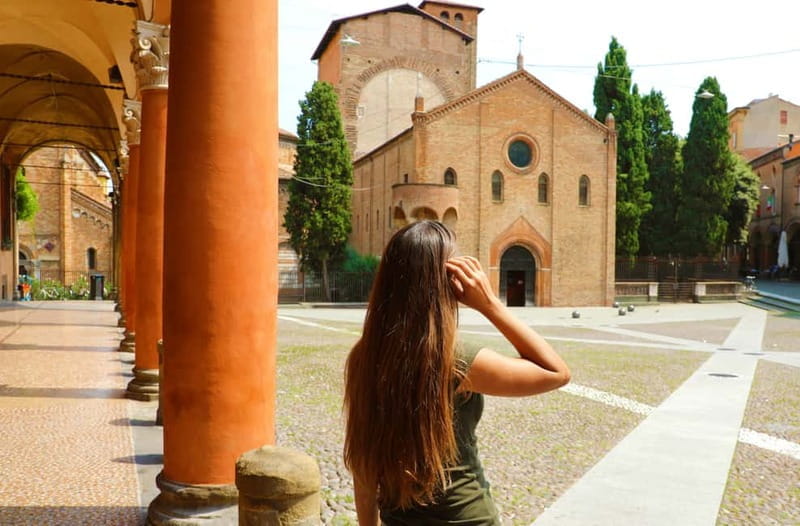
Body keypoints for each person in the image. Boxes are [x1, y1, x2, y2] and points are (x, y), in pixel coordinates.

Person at [343, 220, 570, 525]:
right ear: (444, 283)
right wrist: (490, 304)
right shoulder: (457, 362)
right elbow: (556, 372)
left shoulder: (363, 357)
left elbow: (363, 460)